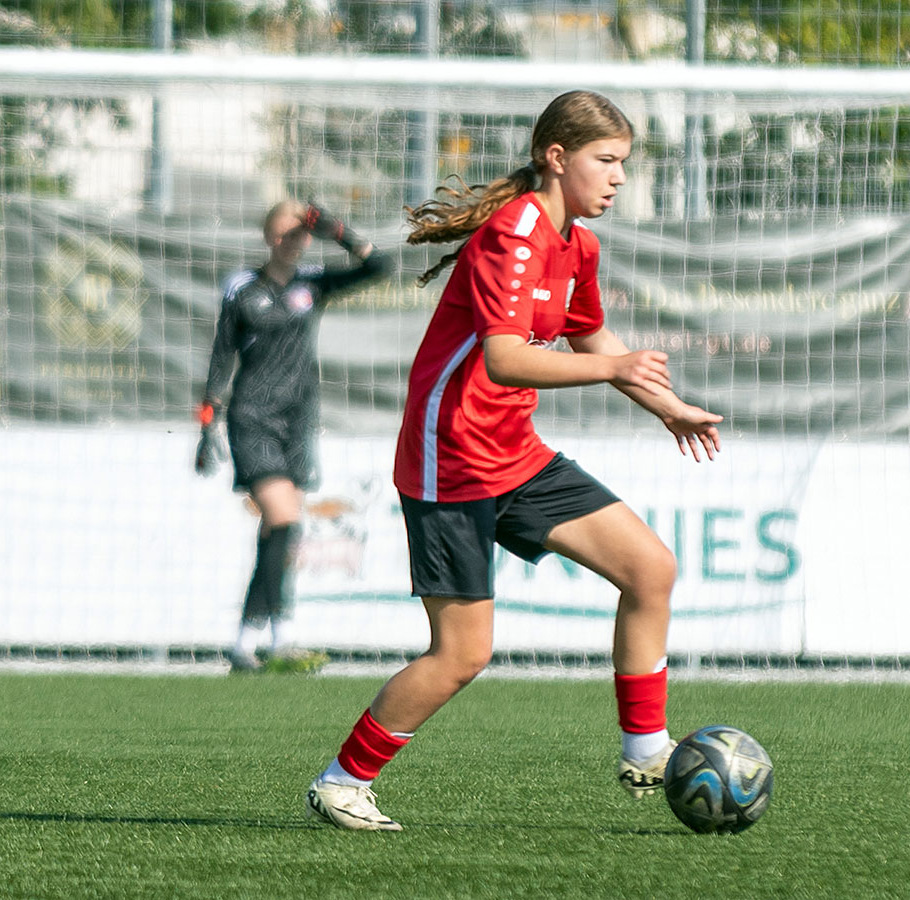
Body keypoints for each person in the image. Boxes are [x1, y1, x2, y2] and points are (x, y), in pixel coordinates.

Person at [304, 90, 723, 831]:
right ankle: (343, 780)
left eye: (624, 162)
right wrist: (617, 369)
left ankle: (647, 748)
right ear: (556, 158)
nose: (619, 177)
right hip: (450, 457)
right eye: (607, 160)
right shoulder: (513, 233)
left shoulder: (579, 246)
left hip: (514, 452)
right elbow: (504, 359)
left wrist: (669, 408)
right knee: (462, 655)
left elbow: (594, 344)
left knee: (650, 569)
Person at [197, 199, 392, 673]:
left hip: (299, 421)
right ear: (269, 236)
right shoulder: (243, 288)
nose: (296, 240)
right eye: (288, 232)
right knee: (283, 518)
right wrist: (207, 422)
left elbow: (379, 268)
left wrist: (337, 231)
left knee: (279, 533)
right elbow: (222, 356)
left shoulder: (313, 283)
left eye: (303, 233)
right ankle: (276, 638)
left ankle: (250, 640)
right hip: (253, 417)